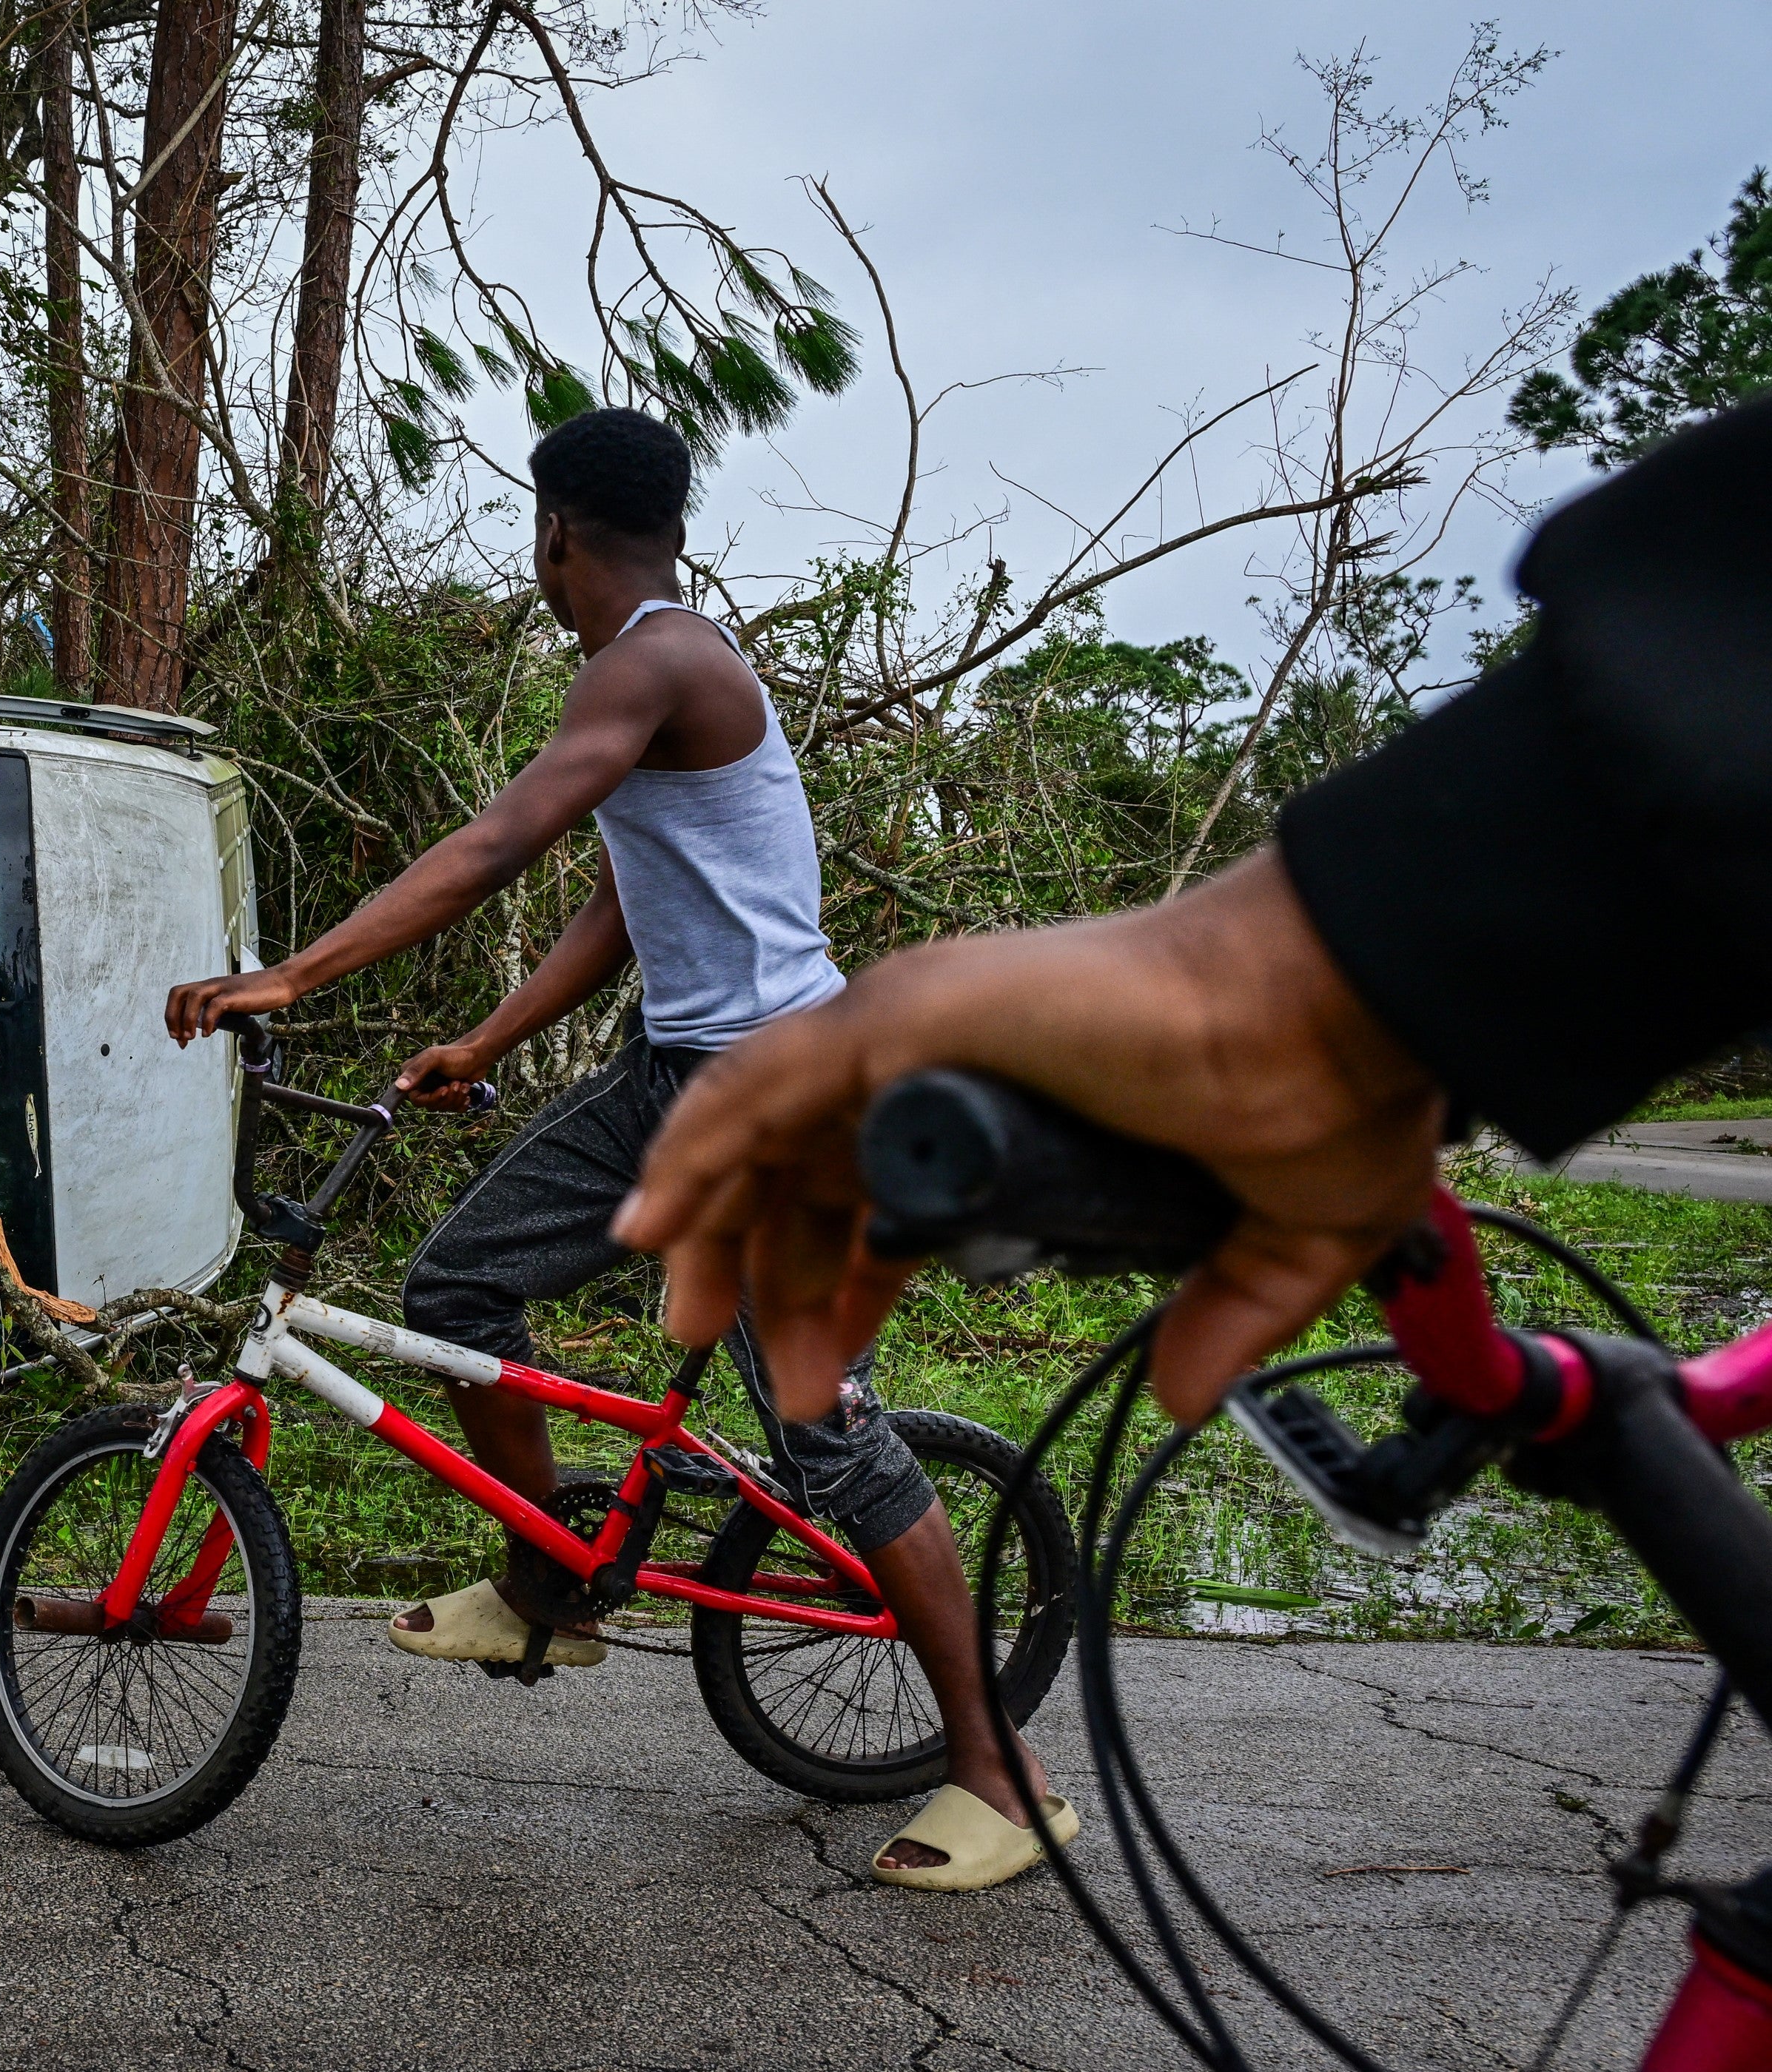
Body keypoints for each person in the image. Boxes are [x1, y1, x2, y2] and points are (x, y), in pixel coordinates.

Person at [167, 406, 1075, 1891]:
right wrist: (492, 1041)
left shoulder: (655, 659)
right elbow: (617, 897)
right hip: (677, 1075)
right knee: (461, 1284)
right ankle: (548, 1587)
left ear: (556, 531)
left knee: (823, 1433)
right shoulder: (657, 673)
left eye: (538, 533)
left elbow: (501, 840)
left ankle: (1007, 1775)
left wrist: (294, 974)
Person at [610, 389, 1772, 1435]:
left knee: (809, 1422)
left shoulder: (660, 663)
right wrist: (1352, 971)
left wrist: (1342, 957)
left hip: (724, 1044)